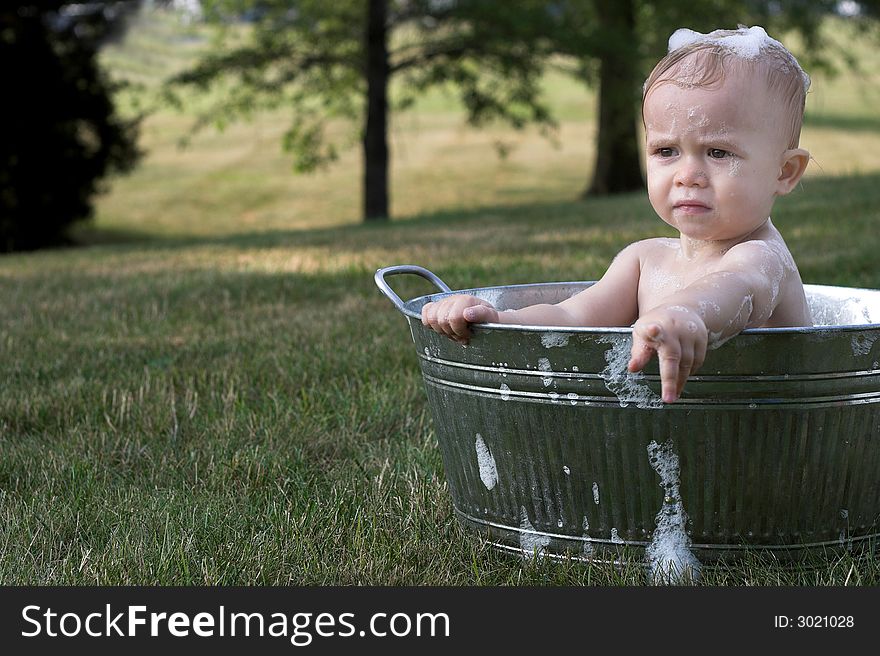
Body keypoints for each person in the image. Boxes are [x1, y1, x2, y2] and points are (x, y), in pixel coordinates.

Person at [421, 26, 813, 404]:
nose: (687, 176)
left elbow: (734, 289)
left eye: (718, 153)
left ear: (784, 172)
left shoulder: (762, 257)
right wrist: (497, 320)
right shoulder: (644, 260)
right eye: (666, 151)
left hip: (762, 441)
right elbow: (571, 317)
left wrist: (687, 312)